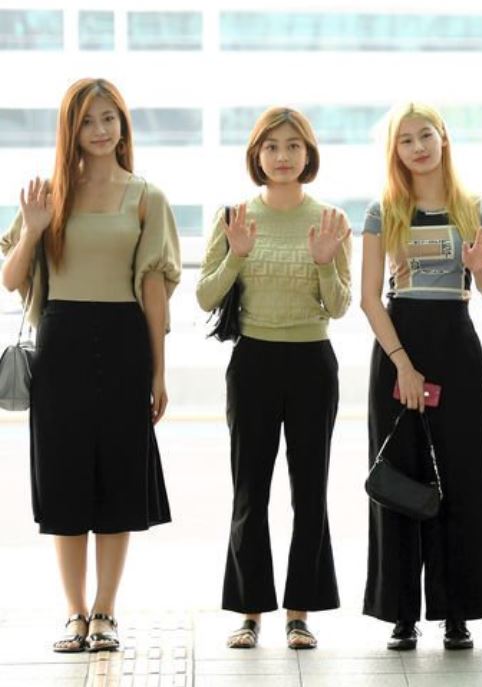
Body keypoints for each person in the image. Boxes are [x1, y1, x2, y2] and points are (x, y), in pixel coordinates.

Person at [0, 77, 180, 654]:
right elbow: (11, 277)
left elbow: (154, 289)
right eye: (87, 120)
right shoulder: (50, 193)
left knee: (119, 480)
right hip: (61, 343)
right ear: (70, 129)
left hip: (125, 342)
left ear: (123, 124)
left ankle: (105, 611)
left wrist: (159, 372)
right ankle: (74, 613)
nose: (100, 130)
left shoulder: (147, 197)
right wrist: (31, 230)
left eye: (109, 118)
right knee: (64, 481)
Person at [195, 107, 352, 650]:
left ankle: (299, 614)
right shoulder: (234, 217)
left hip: (312, 363)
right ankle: (250, 613)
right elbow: (205, 296)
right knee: (249, 491)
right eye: (271, 147)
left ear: (308, 154)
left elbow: (339, 306)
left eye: (293, 146)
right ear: (256, 155)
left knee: (310, 493)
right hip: (253, 363)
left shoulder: (330, 219)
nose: (282, 156)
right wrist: (237, 255)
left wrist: (325, 261)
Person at [359, 103, 482, 650]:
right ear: (395, 151)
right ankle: (402, 613)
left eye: (426, 136)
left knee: (461, 479)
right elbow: (370, 299)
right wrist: (402, 364)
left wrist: (479, 267)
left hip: (456, 349)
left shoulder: (478, 208)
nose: (418, 147)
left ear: (443, 138)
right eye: (406, 140)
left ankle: (456, 611)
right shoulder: (383, 212)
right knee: (400, 478)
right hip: (399, 348)